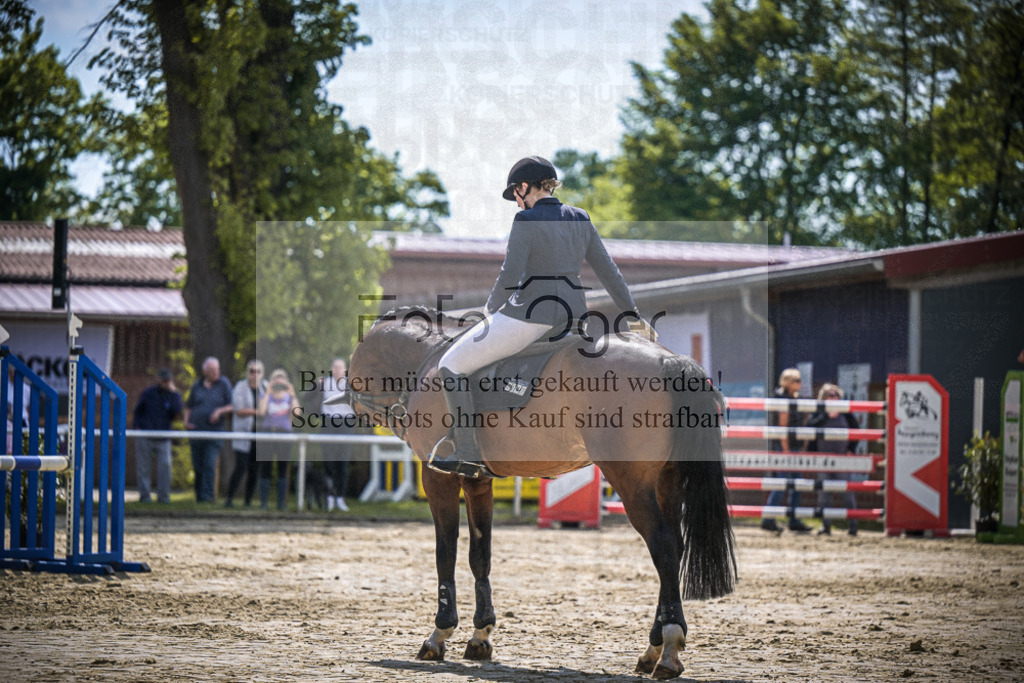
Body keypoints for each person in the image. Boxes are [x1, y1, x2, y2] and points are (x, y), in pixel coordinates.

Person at [430, 156, 653, 478]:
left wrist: (490, 311)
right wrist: (633, 316)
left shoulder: (526, 221)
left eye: (515, 195)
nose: (516, 204)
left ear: (524, 188)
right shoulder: (580, 217)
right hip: (575, 318)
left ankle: (467, 453)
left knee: (450, 365)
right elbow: (609, 272)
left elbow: (510, 274)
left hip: (531, 317)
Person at [761, 368, 813, 533]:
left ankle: (793, 518)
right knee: (782, 483)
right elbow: (782, 426)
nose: (800, 383)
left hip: (794, 445)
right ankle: (769, 518)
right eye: (796, 380)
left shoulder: (794, 398)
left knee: (796, 483)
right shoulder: (783, 400)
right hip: (786, 447)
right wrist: (786, 450)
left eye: (799, 380)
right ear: (787, 382)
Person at [808, 384, 862, 536]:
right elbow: (810, 427)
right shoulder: (819, 412)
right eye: (829, 396)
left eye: (835, 395)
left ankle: (853, 527)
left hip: (842, 460)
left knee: (847, 495)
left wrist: (851, 449)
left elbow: (856, 430)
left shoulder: (846, 412)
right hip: (823, 460)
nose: (833, 398)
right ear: (823, 398)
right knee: (824, 495)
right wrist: (826, 416)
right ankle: (826, 527)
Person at [183, 357, 233, 503]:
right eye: (212, 370)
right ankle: (199, 496)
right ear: (205, 371)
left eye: (217, 369)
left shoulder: (224, 384)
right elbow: (189, 406)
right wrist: (186, 421)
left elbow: (232, 405)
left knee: (209, 464)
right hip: (196, 431)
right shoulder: (197, 386)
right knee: (198, 466)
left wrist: (218, 411)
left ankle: (208, 497)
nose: (216, 372)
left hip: (214, 432)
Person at [132, 368, 183, 504]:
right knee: (144, 467)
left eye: (168, 380)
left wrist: (173, 393)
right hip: (145, 434)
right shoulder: (149, 393)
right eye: (163, 380)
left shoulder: (174, 395)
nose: (165, 382)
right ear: (159, 379)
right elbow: (138, 411)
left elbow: (178, 412)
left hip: (163, 437)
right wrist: (137, 427)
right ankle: (145, 496)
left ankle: (164, 497)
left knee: (165, 466)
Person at [257, 368, 301, 510]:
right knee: (266, 467)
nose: (278, 384)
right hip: (267, 432)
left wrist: (292, 394)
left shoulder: (289, 397)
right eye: (276, 381)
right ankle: (264, 503)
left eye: (281, 381)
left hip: (284, 433)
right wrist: (269, 391)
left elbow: (297, 413)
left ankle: (281, 503)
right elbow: (262, 412)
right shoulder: (265, 396)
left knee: (283, 468)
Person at [225, 360, 266, 508]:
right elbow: (239, 410)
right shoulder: (240, 387)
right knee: (241, 466)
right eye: (252, 371)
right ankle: (229, 498)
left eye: (258, 371)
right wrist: (258, 412)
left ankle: (248, 501)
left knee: (255, 469)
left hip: (260, 434)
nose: (255, 375)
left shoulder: (266, 387)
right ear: (248, 373)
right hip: (244, 432)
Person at [318, 358, 356, 512]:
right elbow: (307, 397)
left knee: (343, 464)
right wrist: (315, 386)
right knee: (329, 463)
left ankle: (340, 497)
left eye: (340, 368)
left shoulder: (352, 383)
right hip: (328, 423)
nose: (337, 370)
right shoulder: (324, 383)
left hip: (346, 424)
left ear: (345, 370)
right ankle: (329, 497)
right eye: (335, 367)